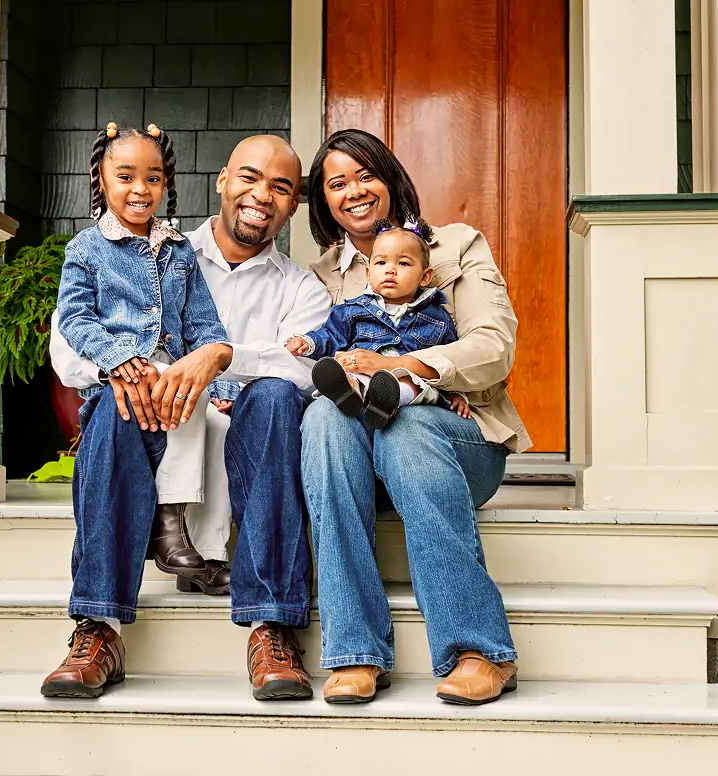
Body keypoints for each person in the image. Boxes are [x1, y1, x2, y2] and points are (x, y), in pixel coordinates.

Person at [45, 134, 331, 701]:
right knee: (115, 401)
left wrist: (225, 366)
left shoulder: (302, 288)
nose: (261, 195)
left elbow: (305, 371)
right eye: (250, 177)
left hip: (248, 437)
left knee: (274, 397)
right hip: (145, 422)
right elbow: (68, 349)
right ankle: (98, 627)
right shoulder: (150, 248)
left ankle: (270, 624)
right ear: (222, 180)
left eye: (280, 187)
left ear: (293, 205)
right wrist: (129, 374)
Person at [301, 128, 532, 706]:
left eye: (364, 175)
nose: (353, 190)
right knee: (325, 421)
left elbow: (494, 346)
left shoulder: (455, 246)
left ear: (390, 177)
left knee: (407, 428)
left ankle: (478, 649)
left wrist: (402, 365)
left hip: (457, 438)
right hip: (357, 458)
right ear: (323, 201)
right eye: (336, 182)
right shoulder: (319, 276)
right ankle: (354, 651)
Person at [42, 121, 232, 698]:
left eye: (153, 177)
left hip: (172, 380)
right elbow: (75, 320)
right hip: (118, 385)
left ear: (167, 183)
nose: (140, 189)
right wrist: (120, 361)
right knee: (117, 417)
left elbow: (204, 326)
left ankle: (170, 523)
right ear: (101, 180)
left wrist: (203, 365)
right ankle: (97, 621)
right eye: (126, 176)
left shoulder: (179, 252)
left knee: (189, 402)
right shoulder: (87, 248)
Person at [286, 218, 474, 429]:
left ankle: (387, 402)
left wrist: (458, 393)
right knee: (351, 372)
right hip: (362, 373)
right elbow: (330, 335)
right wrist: (308, 342)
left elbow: (449, 359)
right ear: (368, 273)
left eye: (403, 263)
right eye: (381, 263)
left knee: (409, 382)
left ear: (425, 277)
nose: (390, 270)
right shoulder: (353, 310)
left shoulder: (437, 318)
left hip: (410, 383)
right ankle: (349, 392)